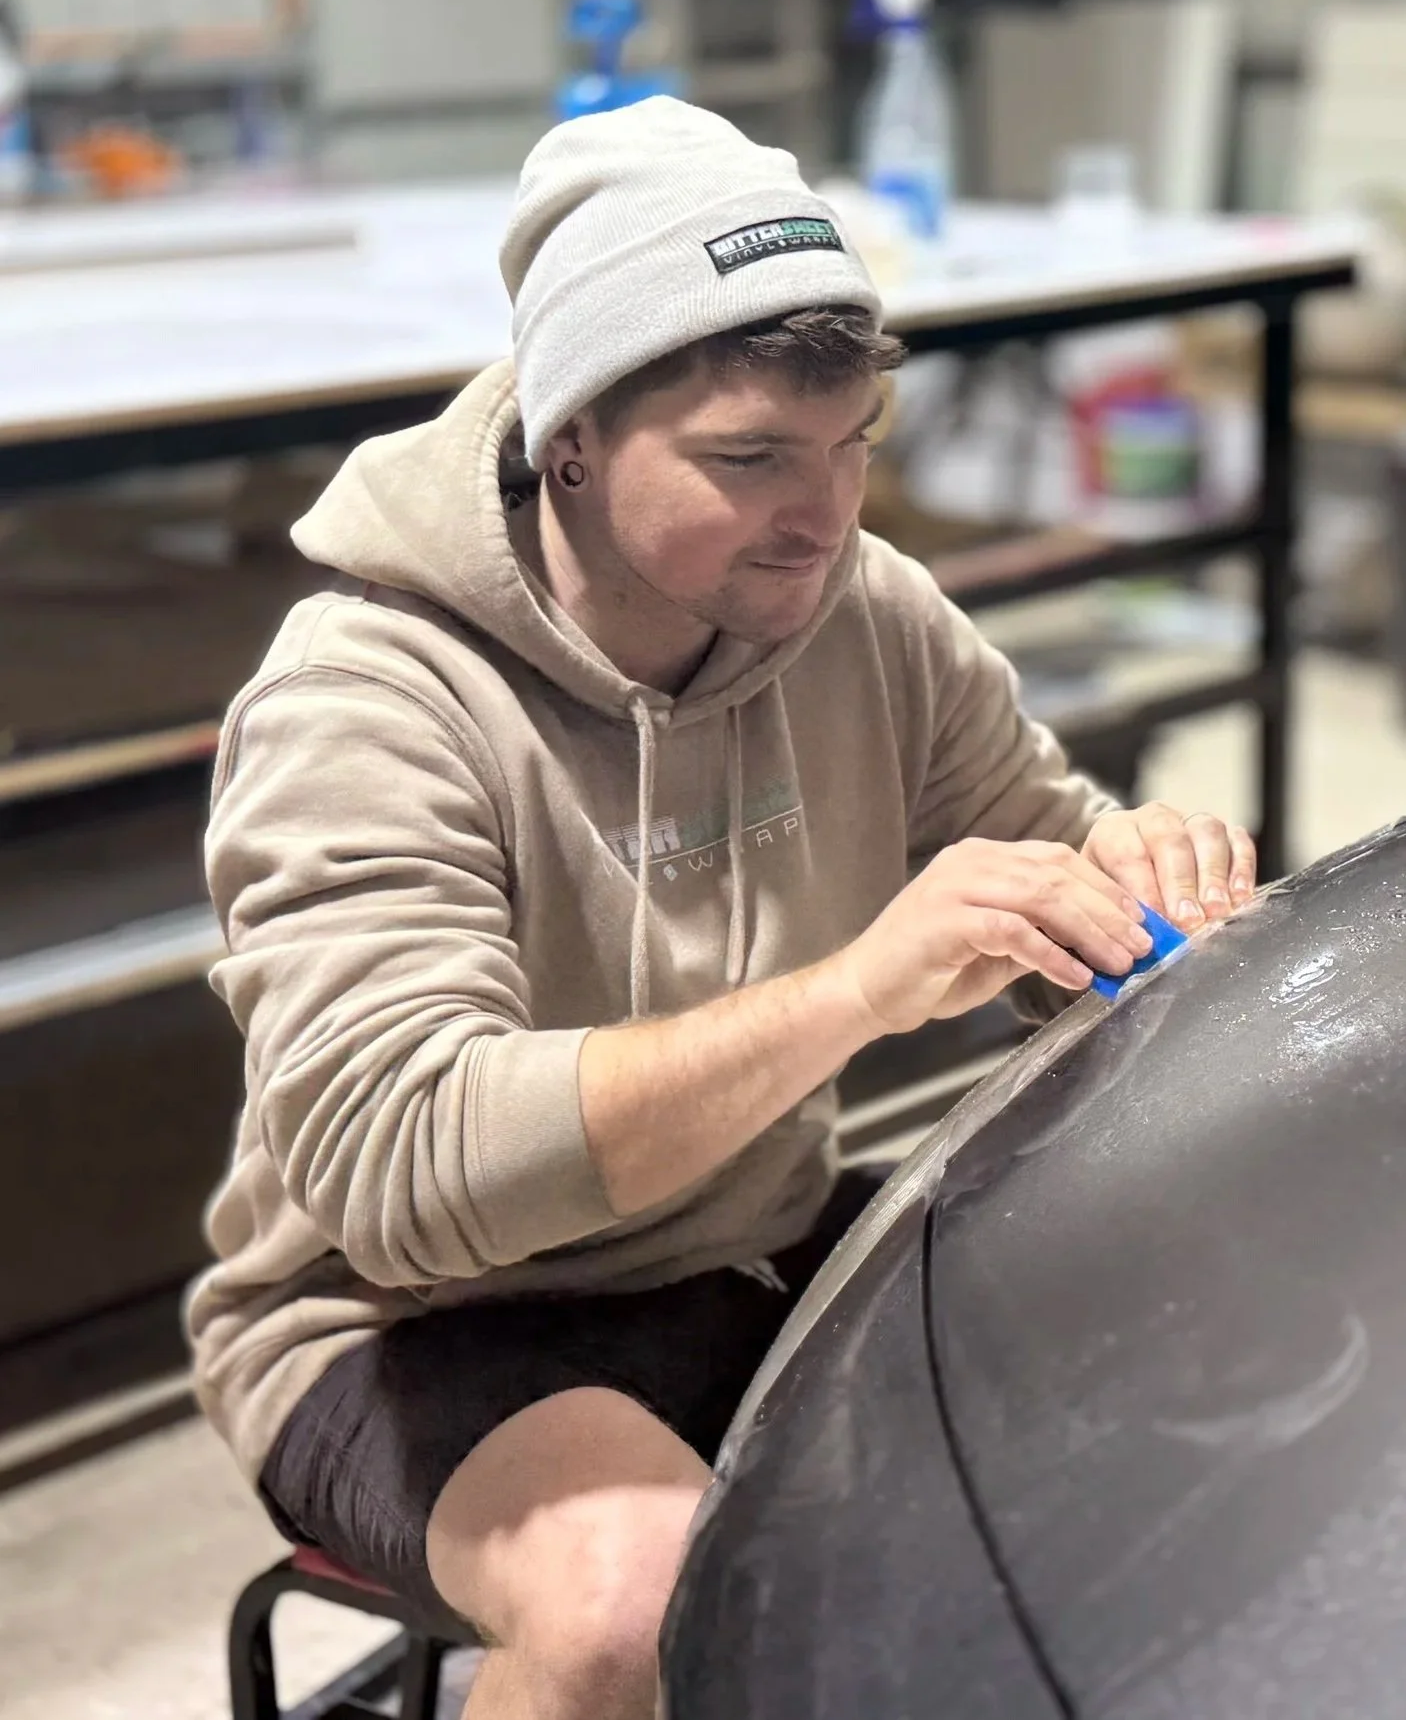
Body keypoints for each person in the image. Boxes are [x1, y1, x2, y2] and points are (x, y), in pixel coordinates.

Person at [188, 98, 1256, 1720]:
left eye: (855, 450)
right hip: (407, 1316)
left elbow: (1055, 875)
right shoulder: (369, 695)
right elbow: (403, 1178)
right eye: (749, 458)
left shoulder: (865, 616)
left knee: (1182, 1373)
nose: (821, 517)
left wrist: (1143, 892)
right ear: (568, 440)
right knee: (635, 1604)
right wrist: (853, 990)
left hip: (743, 1236)